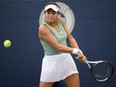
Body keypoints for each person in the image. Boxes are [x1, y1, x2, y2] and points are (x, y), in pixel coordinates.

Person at [38, 2, 87, 87]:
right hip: (51, 63)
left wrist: (80, 53)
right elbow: (57, 46)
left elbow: (70, 38)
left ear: (58, 14)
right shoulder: (43, 29)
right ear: (44, 13)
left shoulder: (61, 21)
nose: (50, 15)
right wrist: (76, 51)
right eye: (48, 13)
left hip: (66, 60)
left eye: (53, 13)